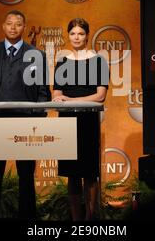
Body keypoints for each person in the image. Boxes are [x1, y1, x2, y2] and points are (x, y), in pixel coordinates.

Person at [0, 10, 51, 219]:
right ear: (3, 26)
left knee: (26, 178)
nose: (13, 27)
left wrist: (36, 121)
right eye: (9, 23)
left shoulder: (36, 55)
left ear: (24, 28)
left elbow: (44, 93)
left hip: (26, 124)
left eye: (18, 24)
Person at [53, 18, 109, 221]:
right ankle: (76, 220)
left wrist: (71, 99)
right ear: (69, 36)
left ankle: (89, 219)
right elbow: (56, 94)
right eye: (73, 34)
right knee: (72, 174)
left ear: (87, 36)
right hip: (67, 121)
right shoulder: (62, 62)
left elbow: (100, 95)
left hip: (88, 121)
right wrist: (61, 98)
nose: (76, 37)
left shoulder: (98, 61)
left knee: (90, 173)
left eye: (81, 34)